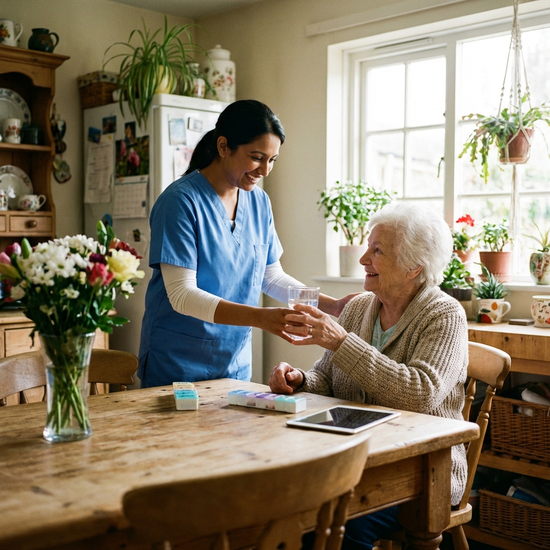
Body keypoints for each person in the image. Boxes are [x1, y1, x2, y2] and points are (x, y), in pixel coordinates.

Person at [269, 203, 468, 550]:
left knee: (330, 523)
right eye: (367, 247)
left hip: (420, 471)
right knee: (282, 505)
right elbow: (326, 379)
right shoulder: (361, 306)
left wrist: (342, 341)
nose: (363, 259)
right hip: (352, 458)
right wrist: (299, 380)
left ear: (413, 267)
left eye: (377, 251)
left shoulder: (445, 314)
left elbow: (419, 393)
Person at [138, 100, 352, 388]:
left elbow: (269, 276)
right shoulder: (180, 202)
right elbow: (181, 294)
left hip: (233, 364)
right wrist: (261, 318)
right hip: (178, 364)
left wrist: (333, 305)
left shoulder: (258, 201)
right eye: (257, 157)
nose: (265, 170)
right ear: (224, 146)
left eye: (272, 160)